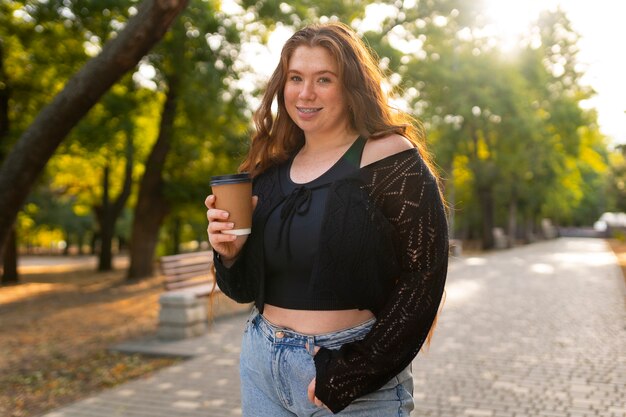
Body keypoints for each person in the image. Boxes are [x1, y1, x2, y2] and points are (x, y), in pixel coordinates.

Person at [206, 21, 448, 416]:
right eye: (295, 78)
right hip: (262, 363)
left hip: (350, 373)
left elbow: (426, 274)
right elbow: (243, 291)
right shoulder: (269, 172)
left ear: (350, 86)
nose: (305, 93)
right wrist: (230, 254)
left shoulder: (387, 156)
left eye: (323, 79)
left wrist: (353, 373)